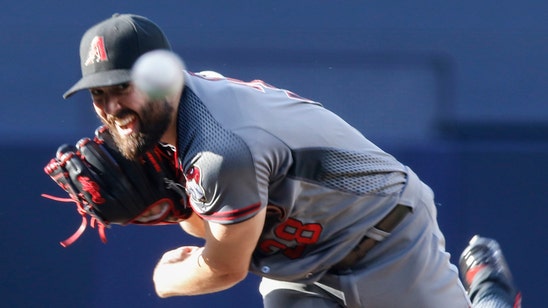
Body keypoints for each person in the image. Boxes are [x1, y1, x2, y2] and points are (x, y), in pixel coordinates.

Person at [61, 13, 521, 307]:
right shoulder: (180, 118)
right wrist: (180, 207)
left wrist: (167, 278)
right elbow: (219, 222)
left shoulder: (220, 147)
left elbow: (224, 268)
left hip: (384, 240)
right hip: (298, 265)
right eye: (99, 93)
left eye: (123, 87)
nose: (111, 106)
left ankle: (489, 294)